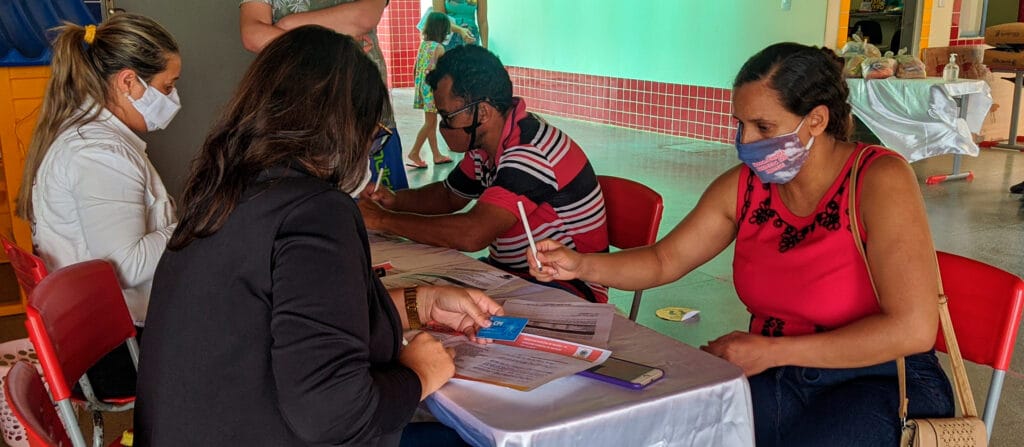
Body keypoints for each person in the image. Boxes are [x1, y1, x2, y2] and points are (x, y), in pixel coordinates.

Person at [527, 43, 954, 446]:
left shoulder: (878, 181)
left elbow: (913, 330)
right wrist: (579, 266)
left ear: (817, 121)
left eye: (764, 126)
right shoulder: (745, 189)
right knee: (678, 429)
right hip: (777, 372)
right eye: (740, 124)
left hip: (877, 380)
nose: (745, 141)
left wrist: (769, 351)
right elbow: (663, 260)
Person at [134, 26, 502, 446]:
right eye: (374, 137)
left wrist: (424, 302)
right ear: (347, 130)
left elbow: (302, 321)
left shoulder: (222, 194)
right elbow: (335, 413)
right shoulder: (314, 211)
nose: (370, 151)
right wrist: (418, 374)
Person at [359, 45, 609, 303]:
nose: (443, 126)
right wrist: (395, 201)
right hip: (513, 275)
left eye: (447, 116)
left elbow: (472, 233)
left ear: (484, 112)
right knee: (422, 297)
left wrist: (383, 220)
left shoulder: (530, 152)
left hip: (568, 288)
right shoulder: (486, 144)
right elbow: (448, 196)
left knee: (433, 313)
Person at [16, 13, 182, 398]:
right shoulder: (100, 155)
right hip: (112, 354)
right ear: (128, 82)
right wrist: (195, 223)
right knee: (249, 339)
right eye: (167, 85)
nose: (175, 98)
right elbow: (124, 266)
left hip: (99, 337)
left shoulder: (93, 137)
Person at [239, 0, 410, 190]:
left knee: (380, 204)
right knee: (308, 206)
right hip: (297, 112)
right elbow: (253, 34)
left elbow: (365, 15)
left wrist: (288, 26)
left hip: (362, 108)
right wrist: (336, 47)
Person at [408, 12, 453, 169]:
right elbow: (442, 72)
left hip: (422, 87)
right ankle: (414, 151)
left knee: (431, 122)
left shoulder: (424, 44)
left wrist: (418, 85)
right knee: (429, 123)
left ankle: (436, 155)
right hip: (432, 89)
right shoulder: (439, 48)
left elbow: (415, 68)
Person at [420, 0, 488, 49]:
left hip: (471, 36)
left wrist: (485, 50)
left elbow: (483, 22)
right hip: (448, 36)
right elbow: (440, 19)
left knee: (473, 67)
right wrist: (460, 30)